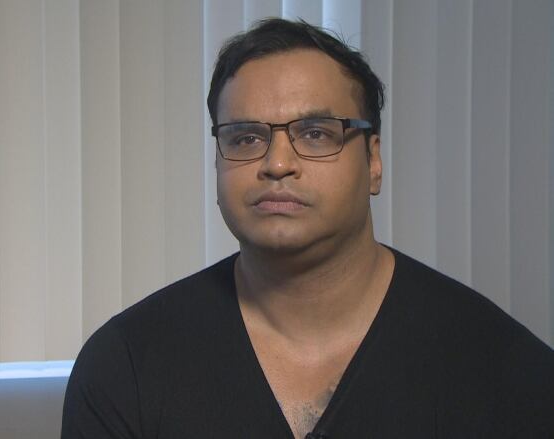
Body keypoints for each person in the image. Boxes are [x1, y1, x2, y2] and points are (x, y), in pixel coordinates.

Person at [61, 18, 554, 438]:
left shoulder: (504, 369)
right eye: (246, 136)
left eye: (316, 133)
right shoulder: (126, 366)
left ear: (374, 161)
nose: (277, 163)